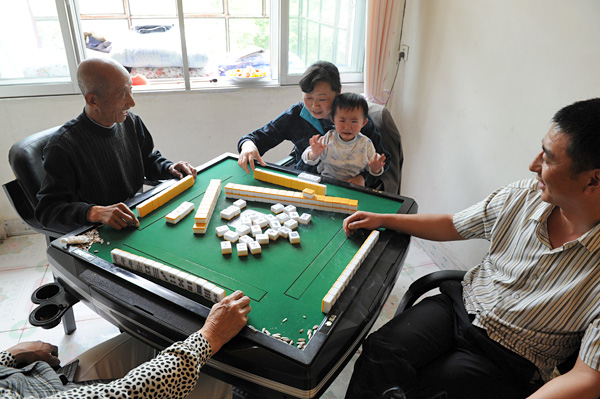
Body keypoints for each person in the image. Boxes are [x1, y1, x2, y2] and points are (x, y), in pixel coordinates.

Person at [342, 98, 600, 399]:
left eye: (549, 158)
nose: (533, 166)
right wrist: (385, 219)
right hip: (461, 307)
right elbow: (453, 224)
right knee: (381, 351)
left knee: (434, 388)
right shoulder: (520, 197)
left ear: (593, 179)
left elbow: (588, 376)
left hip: (512, 355)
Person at [35, 57, 197, 234]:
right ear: (93, 101)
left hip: (133, 214)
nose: (132, 102)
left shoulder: (131, 122)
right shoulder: (62, 147)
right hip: (99, 230)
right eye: (122, 94)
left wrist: (170, 167)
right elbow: (47, 211)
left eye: (131, 91)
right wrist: (94, 212)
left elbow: (148, 160)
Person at [0, 290, 251, 398]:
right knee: (215, 371)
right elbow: (127, 394)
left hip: (47, 382)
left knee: (161, 342)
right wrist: (209, 336)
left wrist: (12, 354)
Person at [237, 61, 390, 187]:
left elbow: (384, 160)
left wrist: (363, 178)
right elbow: (258, 137)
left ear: (338, 92)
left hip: (345, 187)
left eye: (322, 99)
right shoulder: (297, 115)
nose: (314, 106)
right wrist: (249, 146)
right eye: (308, 98)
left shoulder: (354, 121)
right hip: (303, 183)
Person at [301, 92, 386, 183]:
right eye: (342, 121)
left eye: (354, 121)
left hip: (352, 185)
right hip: (327, 182)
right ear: (333, 120)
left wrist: (375, 169)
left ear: (364, 123)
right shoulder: (329, 138)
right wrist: (314, 154)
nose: (347, 127)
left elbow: (374, 169)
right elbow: (307, 159)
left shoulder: (365, 143)